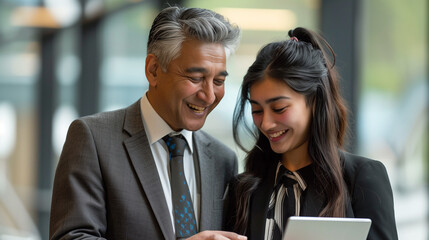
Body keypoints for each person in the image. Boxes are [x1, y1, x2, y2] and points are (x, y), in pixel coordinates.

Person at [49, 6, 246, 240]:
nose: (210, 96)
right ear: (153, 70)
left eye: (219, 80)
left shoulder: (224, 160)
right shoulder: (93, 139)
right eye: (195, 78)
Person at [224, 27, 398, 240]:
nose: (267, 123)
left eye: (279, 108)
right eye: (257, 110)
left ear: (315, 102)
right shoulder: (244, 189)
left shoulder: (363, 178)